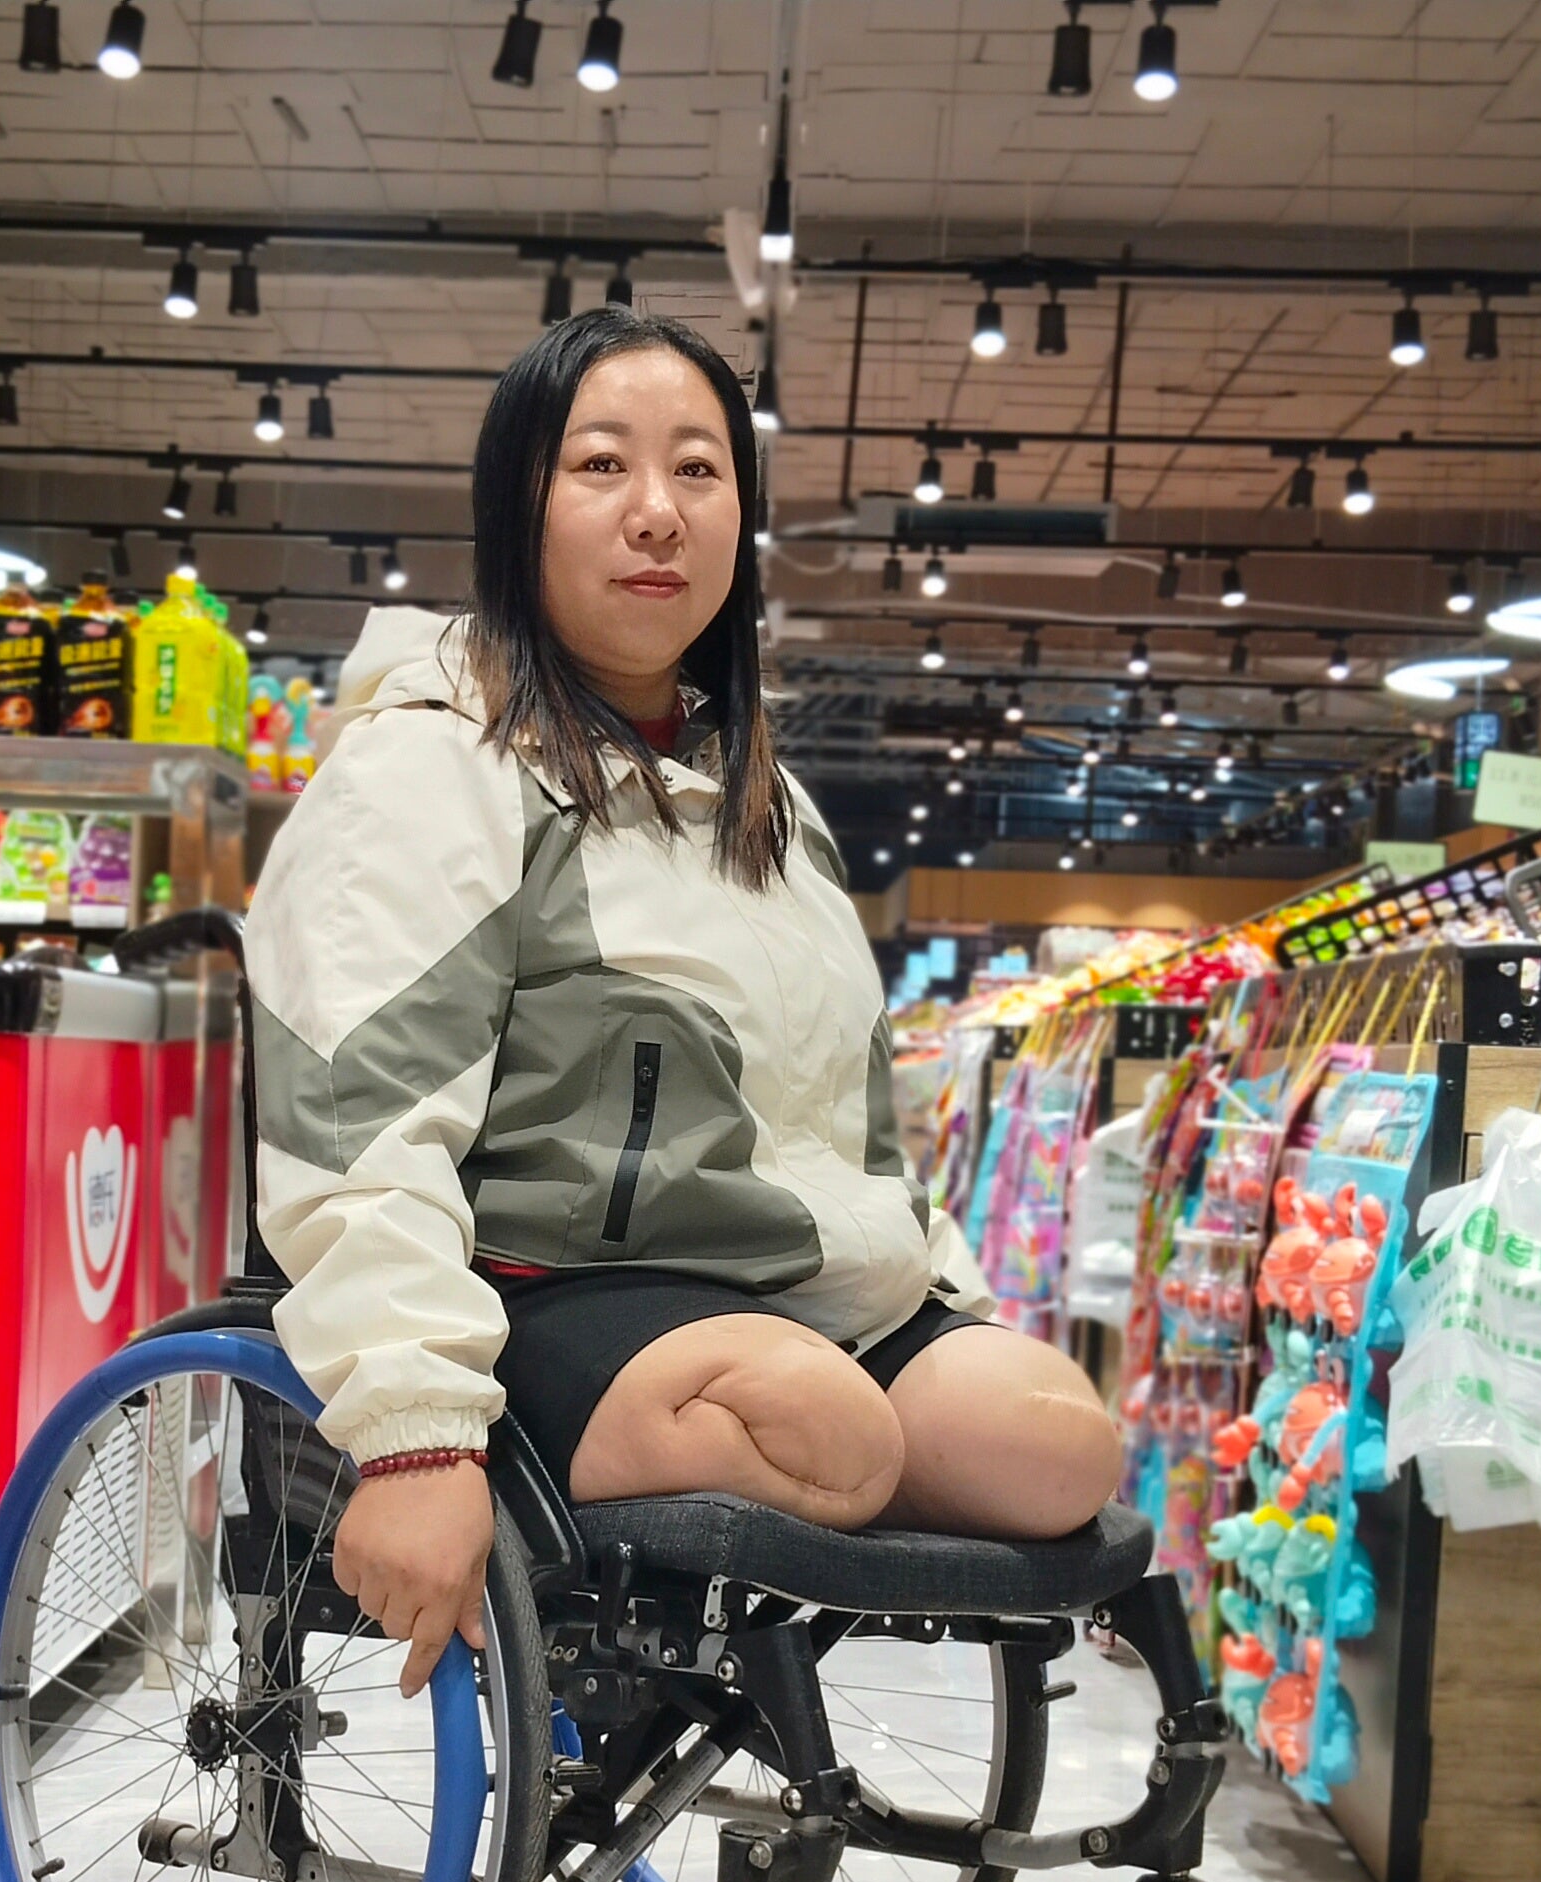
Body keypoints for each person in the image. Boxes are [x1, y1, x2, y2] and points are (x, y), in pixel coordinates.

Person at [246, 308, 1123, 1698]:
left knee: (1056, 1443)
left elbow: (848, 1116)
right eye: (602, 466)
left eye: (698, 472)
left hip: (783, 1295)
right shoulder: (429, 768)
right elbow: (356, 1118)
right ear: (517, 502)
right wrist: (414, 1433)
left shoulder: (767, 801)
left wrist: (931, 1289)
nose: (657, 513)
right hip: (544, 1287)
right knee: (819, 1428)